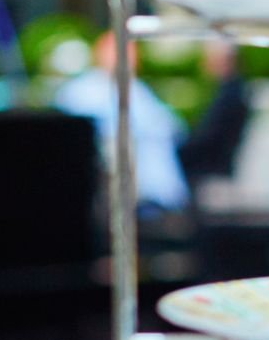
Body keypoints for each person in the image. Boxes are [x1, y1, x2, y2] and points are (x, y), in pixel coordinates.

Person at [53, 31, 190, 217]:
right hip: (110, 188)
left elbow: (173, 129)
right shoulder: (83, 91)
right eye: (121, 52)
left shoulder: (138, 89)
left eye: (132, 53)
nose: (130, 59)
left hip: (157, 195)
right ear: (100, 54)